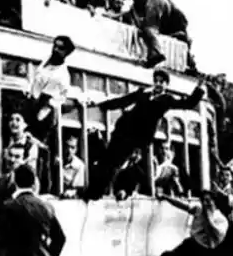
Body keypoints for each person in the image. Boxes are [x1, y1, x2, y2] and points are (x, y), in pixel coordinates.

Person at [86, 70, 204, 200]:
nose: (158, 84)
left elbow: (188, 103)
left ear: (166, 85)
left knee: (116, 163)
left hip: (137, 138)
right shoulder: (143, 93)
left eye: (161, 82)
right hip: (123, 131)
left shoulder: (167, 100)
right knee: (106, 160)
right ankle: (92, 190)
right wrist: (100, 105)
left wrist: (199, 89)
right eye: (156, 81)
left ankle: (97, 193)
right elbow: (123, 101)